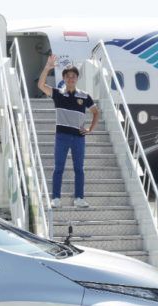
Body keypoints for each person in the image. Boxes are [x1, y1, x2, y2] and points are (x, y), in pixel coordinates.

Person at [37, 55, 99, 208]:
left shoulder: (84, 96)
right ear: (64, 78)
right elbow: (41, 85)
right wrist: (47, 68)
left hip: (78, 138)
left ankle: (79, 198)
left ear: (77, 78)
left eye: (73, 76)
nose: (71, 79)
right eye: (68, 76)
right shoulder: (58, 93)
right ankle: (56, 199)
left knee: (79, 169)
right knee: (59, 168)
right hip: (62, 137)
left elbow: (96, 112)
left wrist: (90, 129)